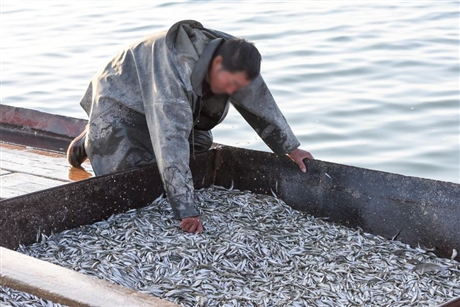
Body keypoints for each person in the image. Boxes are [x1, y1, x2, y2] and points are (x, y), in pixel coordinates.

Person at [67, 20, 313, 234]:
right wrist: (187, 210)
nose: (231, 92)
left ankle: (100, 137)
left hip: (158, 104)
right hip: (121, 102)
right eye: (229, 84)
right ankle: (95, 135)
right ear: (216, 64)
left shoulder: (234, 55)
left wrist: (291, 148)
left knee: (200, 145)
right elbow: (170, 141)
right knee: (133, 177)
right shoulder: (174, 75)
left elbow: (259, 100)